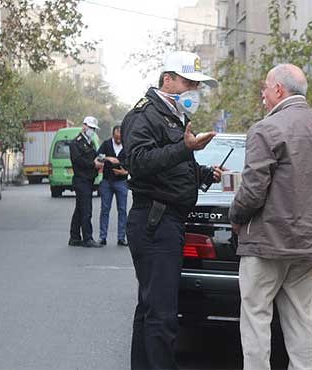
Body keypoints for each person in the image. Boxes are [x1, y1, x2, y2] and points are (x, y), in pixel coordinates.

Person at [229, 64, 312, 370]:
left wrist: (236, 217)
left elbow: (253, 191)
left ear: (278, 89)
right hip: (310, 246)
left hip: (266, 243)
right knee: (302, 319)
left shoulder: (266, 129)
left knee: (256, 317)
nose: (262, 95)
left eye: (265, 88)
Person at [121, 50, 223, 370]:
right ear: (168, 79)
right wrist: (185, 148)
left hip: (166, 220)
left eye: (196, 85)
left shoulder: (173, 117)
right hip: (155, 221)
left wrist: (203, 174)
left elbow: (171, 165)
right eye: (188, 83)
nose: (193, 91)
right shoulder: (144, 115)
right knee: (162, 315)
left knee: (150, 308)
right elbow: (137, 163)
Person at [68, 116, 104, 249]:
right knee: (86, 210)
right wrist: (93, 164)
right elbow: (78, 161)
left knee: (79, 209)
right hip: (81, 180)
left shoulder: (89, 142)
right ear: (84, 126)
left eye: (94, 129)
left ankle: (74, 237)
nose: (92, 130)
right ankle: (87, 238)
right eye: (91, 128)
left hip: (88, 180)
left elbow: (93, 156)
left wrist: (100, 161)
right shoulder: (76, 143)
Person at [97, 125, 129, 247]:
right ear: (113, 135)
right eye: (117, 138)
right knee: (105, 210)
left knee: (122, 210)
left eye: (120, 138)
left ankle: (121, 237)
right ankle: (102, 237)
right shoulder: (106, 144)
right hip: (107, 182)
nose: (119, 140)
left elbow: (132, 161)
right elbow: (98, 157)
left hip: (121, 182)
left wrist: (125, 171)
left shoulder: (127, 146)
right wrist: (108, 158)